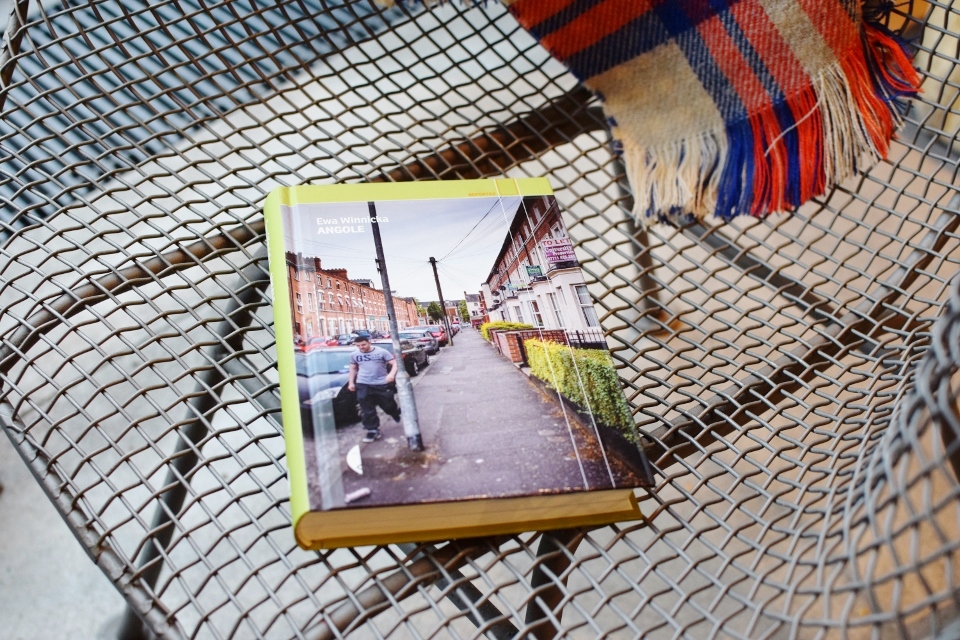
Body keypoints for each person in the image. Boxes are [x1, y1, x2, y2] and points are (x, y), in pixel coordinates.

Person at [347, 335, 400, 442]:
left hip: (381, 383)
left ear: (369, 342)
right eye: (358, 345)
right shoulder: (354, 354)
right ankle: (372, 430)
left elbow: (395, 363)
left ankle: (394, 411)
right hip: (363, 383)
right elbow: (353, 368)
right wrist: (351, 382)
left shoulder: (382, 352)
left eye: (363, 345)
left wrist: (391, 374)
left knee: (388, 405)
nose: (361, 347)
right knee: (366, 408)